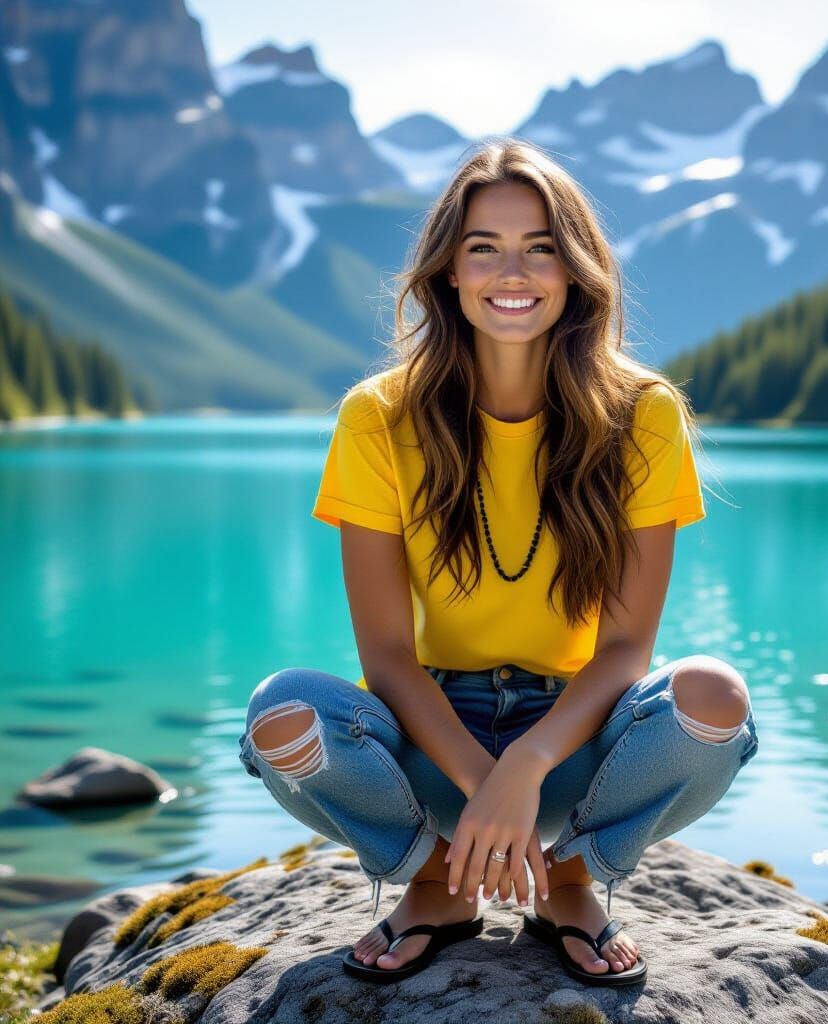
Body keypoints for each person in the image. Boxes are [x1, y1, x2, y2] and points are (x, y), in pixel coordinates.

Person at [237, 138, 759, 987]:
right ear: (449, 270)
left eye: (540, 247)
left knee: (714, 699)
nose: (511, 272)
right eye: (484, 247)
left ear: (576, 269)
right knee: (281, 717)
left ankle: (568, 882)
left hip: (579, 741)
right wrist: (484, 784)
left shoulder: (643, 413)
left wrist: (525, 767)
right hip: (432, 738)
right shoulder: (379, 416)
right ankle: (441, 880)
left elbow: (626, 652)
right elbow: (387, 660)